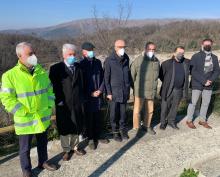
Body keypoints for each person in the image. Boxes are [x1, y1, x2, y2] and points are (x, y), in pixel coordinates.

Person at [0, 42, 57, 177]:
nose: (34, 56)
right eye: (30, 54)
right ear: (20, 56)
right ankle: (26, 170)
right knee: (24, 148)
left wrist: (49, 104)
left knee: (43, 142)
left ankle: (43, 162)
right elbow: (7, 99)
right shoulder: (9, 76)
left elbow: (50, 90)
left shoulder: (41, 71)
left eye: (34, 52)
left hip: (42, 116)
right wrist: (22, 111)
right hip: (25, 119)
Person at [49, 44, 86, 161]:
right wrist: (58, 101)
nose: (73, 57)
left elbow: (82, 84)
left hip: (77, 102)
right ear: (64, 55)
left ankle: (75, 147)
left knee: (76, 125)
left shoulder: (79, 67)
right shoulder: (56, 68)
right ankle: (66, 150)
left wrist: (82, 99)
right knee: (64, 127)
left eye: (74, 54)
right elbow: (53, 87)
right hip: (63, 103)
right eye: (70, 54)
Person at [80, 42, 109, 150]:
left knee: (98, 116)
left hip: (98, 96)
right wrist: (90, 93)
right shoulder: (81, 65)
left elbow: (102, 77)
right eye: (89, 50)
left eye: (92, 50)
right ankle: (91, 138)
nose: (92, 52)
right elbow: (81, 83)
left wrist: (101, 90)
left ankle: (99, 135)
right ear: (84, 52)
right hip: (88, 97)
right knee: (89, 118)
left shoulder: (97, 62)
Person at [186, 39, 220, 129]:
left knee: (206, 103)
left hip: (209, 84)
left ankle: (202, 120)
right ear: (202, 44)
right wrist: (204, 81)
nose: (208, 45)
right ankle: (189, 120)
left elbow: (217, 71)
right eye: (206, 44)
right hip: (197, 83)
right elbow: (193, 71)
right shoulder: (196, 56)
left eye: (209, 44)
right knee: (193, 103)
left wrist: (210, 80)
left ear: (211, 45)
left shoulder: (215, 57)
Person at [104, 39, 131, 142]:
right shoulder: (109, 60)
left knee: (123, 113)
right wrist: (109, 93)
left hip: (124, 91)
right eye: (120, 47)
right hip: (114, 92)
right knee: (114, 114)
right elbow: (106, 78)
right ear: (115, 48)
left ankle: (122, 130)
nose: (122, 49)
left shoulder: (126, 58)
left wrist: (129, 88)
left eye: (124, 47)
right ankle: (115, 132)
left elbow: (128, 74)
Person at [130, 42, 160, 134]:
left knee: (150, 111)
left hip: (151, 92)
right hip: (140, 92)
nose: (151, 51)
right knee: (137, 111)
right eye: (150, 49)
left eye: (153, 49)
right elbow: (131, 76)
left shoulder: (156, 61)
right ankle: (136, 128)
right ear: (145, 49)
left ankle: (146, 126)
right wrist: (135, 88)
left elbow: (157, 75)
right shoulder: (138, 60)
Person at [159, 46, 190, 130]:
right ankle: (163, 122)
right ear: (174, 53)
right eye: (179, 53)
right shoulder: (166, 63)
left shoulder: (186, 63)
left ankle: (171, 121)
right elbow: (161, 76)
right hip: (168, 89)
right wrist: (168, 83)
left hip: (179, 89)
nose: (181, 54)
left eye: (182, 53)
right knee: (165, 106)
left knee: (175, 107)